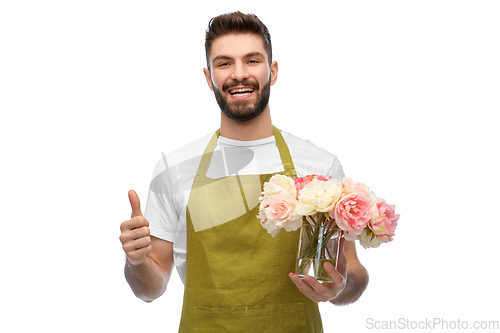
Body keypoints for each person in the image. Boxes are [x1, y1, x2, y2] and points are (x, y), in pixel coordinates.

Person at [119, 11, 369, 332]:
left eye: (252, 61)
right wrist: (136, 261)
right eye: (224, 63)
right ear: (209, 78)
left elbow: (354, 273)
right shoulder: (175, 170)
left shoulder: (319, 165)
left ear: (272, 71)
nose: (239, 74)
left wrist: (342, 284)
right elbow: (150, 289)